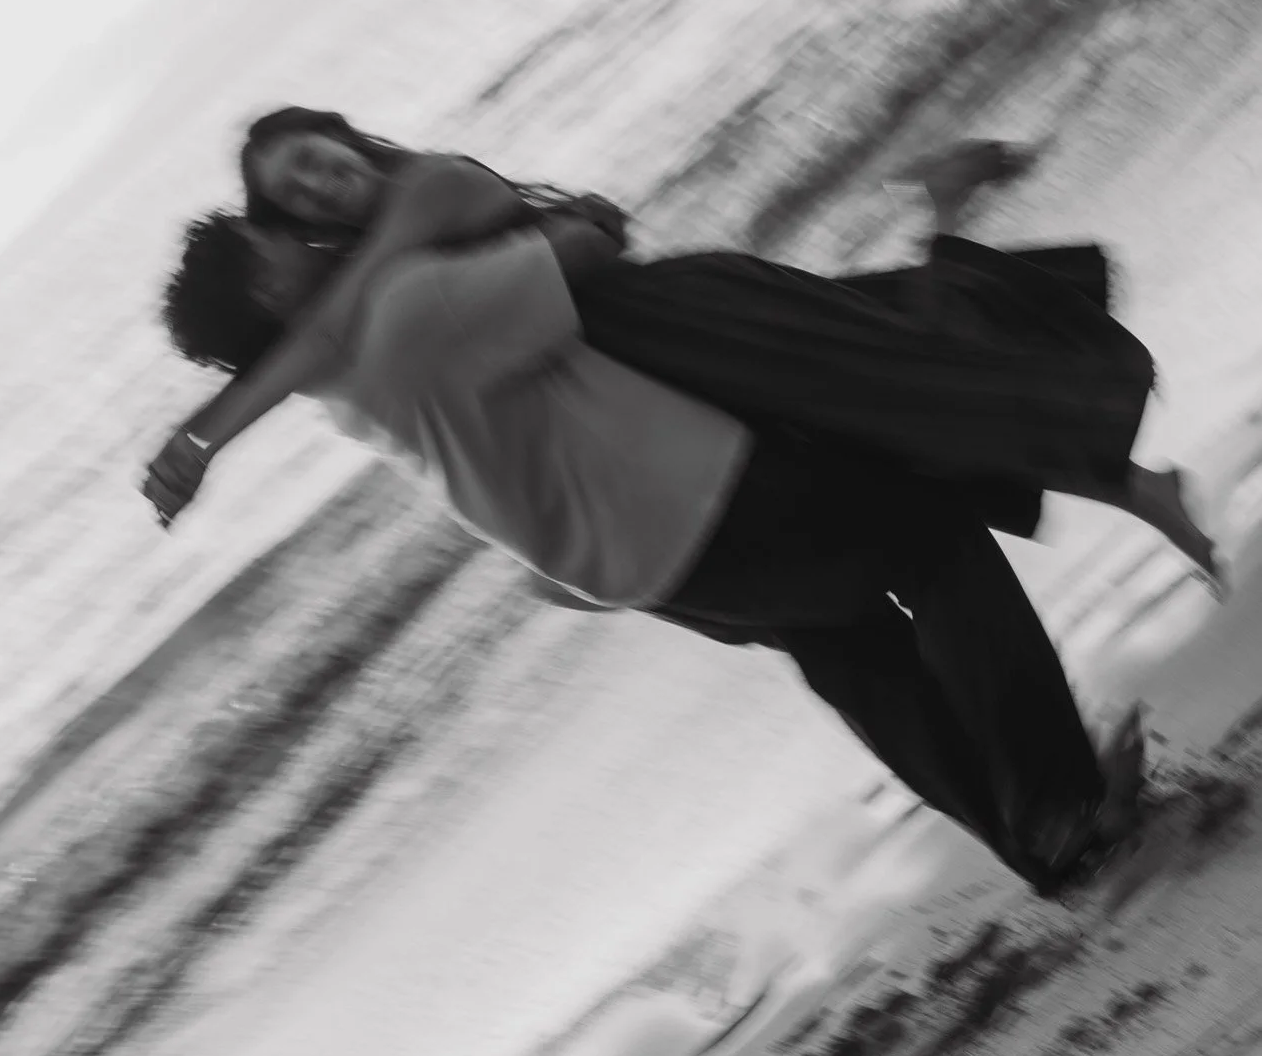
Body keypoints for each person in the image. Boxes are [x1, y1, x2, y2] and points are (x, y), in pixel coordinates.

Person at [145, 191, 1152, 896]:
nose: (298, 234)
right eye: (272, 238)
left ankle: (1046, 842)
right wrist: (560, 217)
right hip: (698, 498)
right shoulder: (401, 317)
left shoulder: (337, 389)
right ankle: (1058, 804)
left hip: (635, 563)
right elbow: (586, 252)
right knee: (932, 543)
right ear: (267, 287)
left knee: (852, 650)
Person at [145, 109, 1216, 581]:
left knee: (903, 379)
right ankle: (1135, 487)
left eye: (311, 157)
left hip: (671, 318)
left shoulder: (424, 191)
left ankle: (949, 209)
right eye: (292, 193)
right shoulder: (381, 277)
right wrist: (203, 438)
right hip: (643, 359)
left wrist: (205, 436)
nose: (315, 183)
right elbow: (328, 336)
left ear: (340, 134)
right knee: (889, 403)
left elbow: (328, 329)